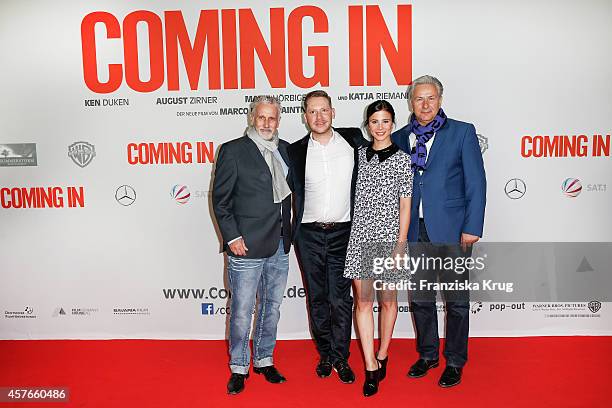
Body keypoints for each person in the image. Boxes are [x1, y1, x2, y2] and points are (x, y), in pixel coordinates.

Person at [392, 75, 486, 388]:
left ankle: (456, 360)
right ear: (411, 102)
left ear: (440, 100)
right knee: (420, 299)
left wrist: (472, 227)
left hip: (452, 231)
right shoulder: (400, 137)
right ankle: (428, 354)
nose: (425, 104)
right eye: (419, 99)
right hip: (415, 231)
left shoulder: (462, 132)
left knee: (456, 301)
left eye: (431, 98)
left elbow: (476, 183)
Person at [212, 95, 292, 395]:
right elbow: (220, 200)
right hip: (244, 245)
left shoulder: (284, 150)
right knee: (243, 310)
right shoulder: (233, 151)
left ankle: (264, 358)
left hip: (280, 244)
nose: (267, 123)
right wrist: (232, 237)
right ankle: (239, 366)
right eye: (262, 117)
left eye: (272, 118)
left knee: (272, 307)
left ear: (279, 120)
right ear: (252, 117)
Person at [287, 90, 368, 384]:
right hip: (307, 234)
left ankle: (341, 357)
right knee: (318, 298)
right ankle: (325, 354)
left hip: (344, 233)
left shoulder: (354, 142)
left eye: (324, 110)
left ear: (333, 112)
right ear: (305, 116)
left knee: (340, 299)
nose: (319, 117)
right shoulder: (293, 151)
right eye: (312, 111)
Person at [343, 100, 413, 396]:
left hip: (389, 240)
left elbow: (406, 206)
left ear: (393, 124)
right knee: (362, 302)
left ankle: (383, 352)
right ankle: (370, 365)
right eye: (374, 121)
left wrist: (399, 246)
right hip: (360, 238)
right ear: (367, 125)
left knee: (387, 301)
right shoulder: (357, 155)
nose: (380, 126)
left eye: (385, 121)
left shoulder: (403, 160)